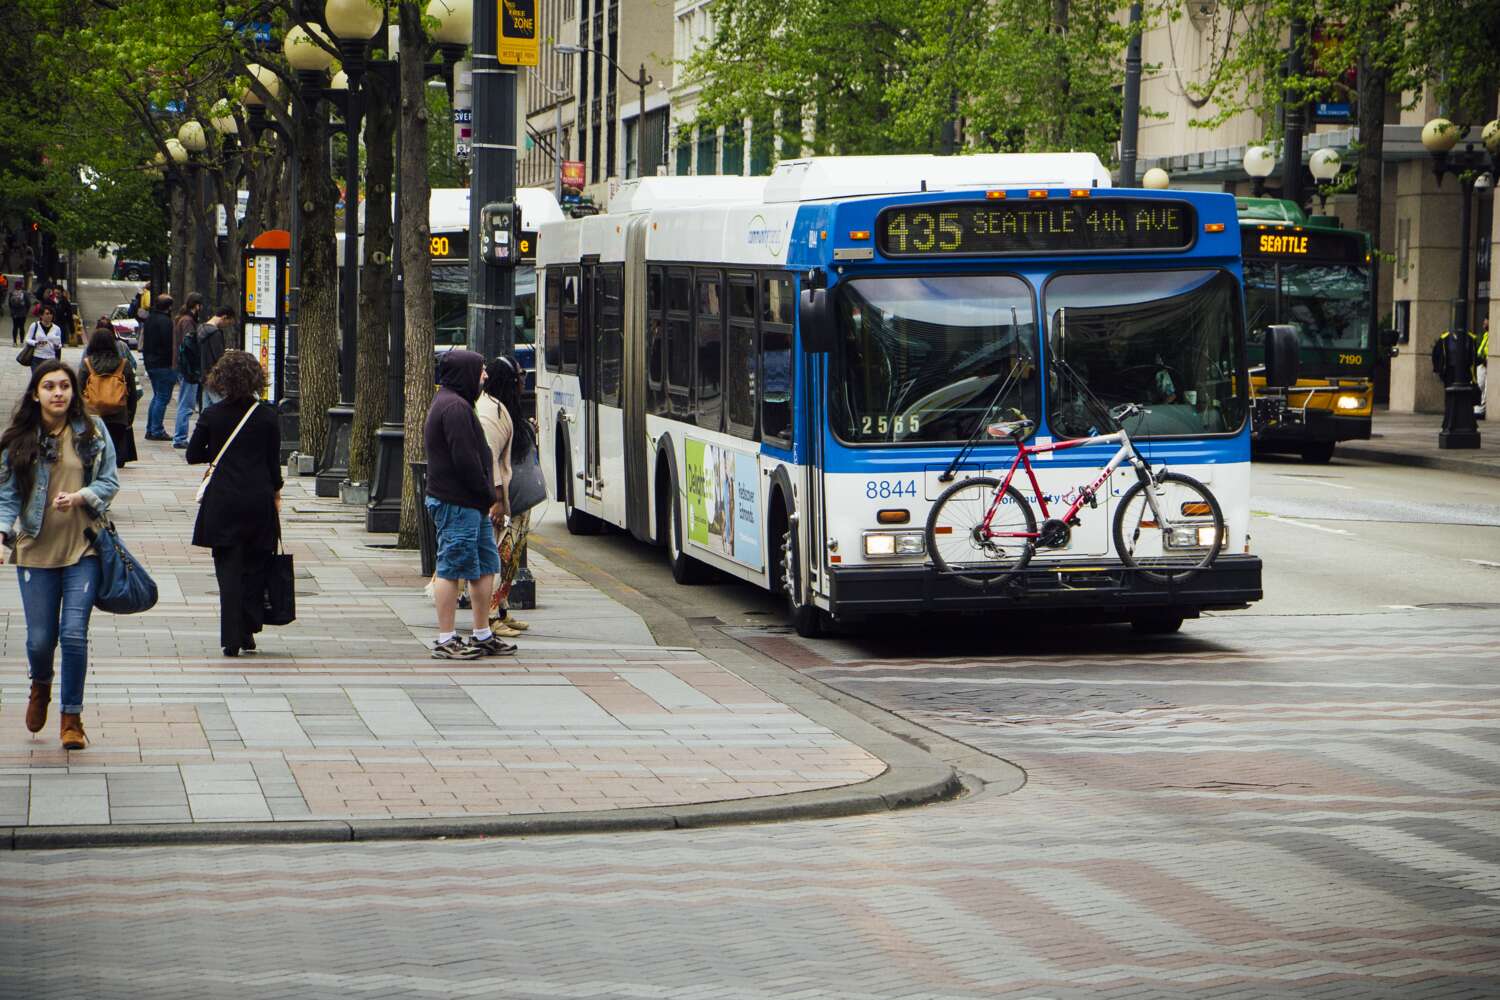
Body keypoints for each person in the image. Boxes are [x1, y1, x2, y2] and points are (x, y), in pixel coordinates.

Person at [0, 360, 121, 750]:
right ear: (36, 393)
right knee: (39, 641)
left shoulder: (93, 431)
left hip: (83, 548)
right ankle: (41, 686)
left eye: (64, 386)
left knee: (72, 635)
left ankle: (72, 718)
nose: (57, 393)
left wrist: (83, 496)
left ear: (74, 392)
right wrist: (2, 533)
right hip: (35, 550)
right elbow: (7, 496)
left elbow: (109, 481)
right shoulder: (20, 439)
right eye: (49, 386)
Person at [186, 351, 283, 658]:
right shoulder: (267, 415)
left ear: (221, 379)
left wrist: (217, 452)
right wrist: (277, 492)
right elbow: (273, 464)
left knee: (228, 570)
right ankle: (248, 627)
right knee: (255, 567)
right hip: (258, 500)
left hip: (223, 501)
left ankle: (231, 637)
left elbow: (192, 454)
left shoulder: (212, 416)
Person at [423, 350, 514, 659]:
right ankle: (446, 638)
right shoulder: (454, 408)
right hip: (457, 502)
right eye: (480, 371)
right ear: (465, 373)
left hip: (470, 503)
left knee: (486, 564)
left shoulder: (457, 404)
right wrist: (487, 494)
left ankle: (481, 632)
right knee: (451, 567)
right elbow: (466, 460)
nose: (485, 376)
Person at [477, 355, 532, 640]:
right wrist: (497, 500)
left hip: (513, 500)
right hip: (501, 501)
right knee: (499, 555)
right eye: (520, 375)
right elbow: (490, 458)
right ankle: (489, 611)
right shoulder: (490, 413)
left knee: (509, 557)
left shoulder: (502, 408)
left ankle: (500, 607)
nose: (525, 381)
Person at [79, 321, 141, 468]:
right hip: (118, 414)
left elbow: (78, 389)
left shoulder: (87, 364)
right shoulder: (123, 364)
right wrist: (129, 417)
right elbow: (132, 393)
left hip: (93, 414)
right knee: (116, 450)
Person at [172, 294, 205, 448]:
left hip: (183, 367)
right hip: (188, 368)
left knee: (184, 402)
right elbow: (189, 344)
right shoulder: (188, 322)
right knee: (186, 403)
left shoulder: (183, 319)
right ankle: (180, 437)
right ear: (196, 306)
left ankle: (180, 436)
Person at [140, 293, 175, 441]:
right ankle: (156, 429)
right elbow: (168, 344)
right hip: (163, 363)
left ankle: (151, 428)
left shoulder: (150, 319)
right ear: (169, 307)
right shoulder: (165, 322)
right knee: (162, 397)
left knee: (157, 396)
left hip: (151, 362)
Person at [196, 306, 236, 409]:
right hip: (215, 376)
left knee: (206, 408)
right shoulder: (215, 334)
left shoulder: (201, 329)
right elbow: (219, 358)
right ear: (224, 317)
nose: (227, 326)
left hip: (204, 374)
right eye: (228, 323)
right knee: (222, 407)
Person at [23, 304, 63, 371]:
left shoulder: (57, 328)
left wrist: (58, 346)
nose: (49, 316)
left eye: (51, 314)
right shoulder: (35, 325)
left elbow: (60, 343)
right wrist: (35, 343)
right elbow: (27, 339)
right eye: (47, 314)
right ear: (41, 315)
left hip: (51, 358)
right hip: (37, 357)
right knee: (37, 379)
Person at [9, 279, 31, 346]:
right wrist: (26, 311)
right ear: (21, 285)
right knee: (22, 327)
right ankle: (21, 342)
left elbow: (9, 303)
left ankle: (14, 342)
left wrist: (12, 310)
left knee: (15, 327)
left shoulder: (12, 293)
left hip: (14, 313)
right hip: (22, 313)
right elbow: (28, 303)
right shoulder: (24, 293)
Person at [1477, 318, 1489, 421]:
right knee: (1480, 384)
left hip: (1487, 363)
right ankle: (1480, 406)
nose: (1483, 323)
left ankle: (1482, 409)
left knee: (1486, 387)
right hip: (1482, 363)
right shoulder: (1486, 335)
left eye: (1485, 321)